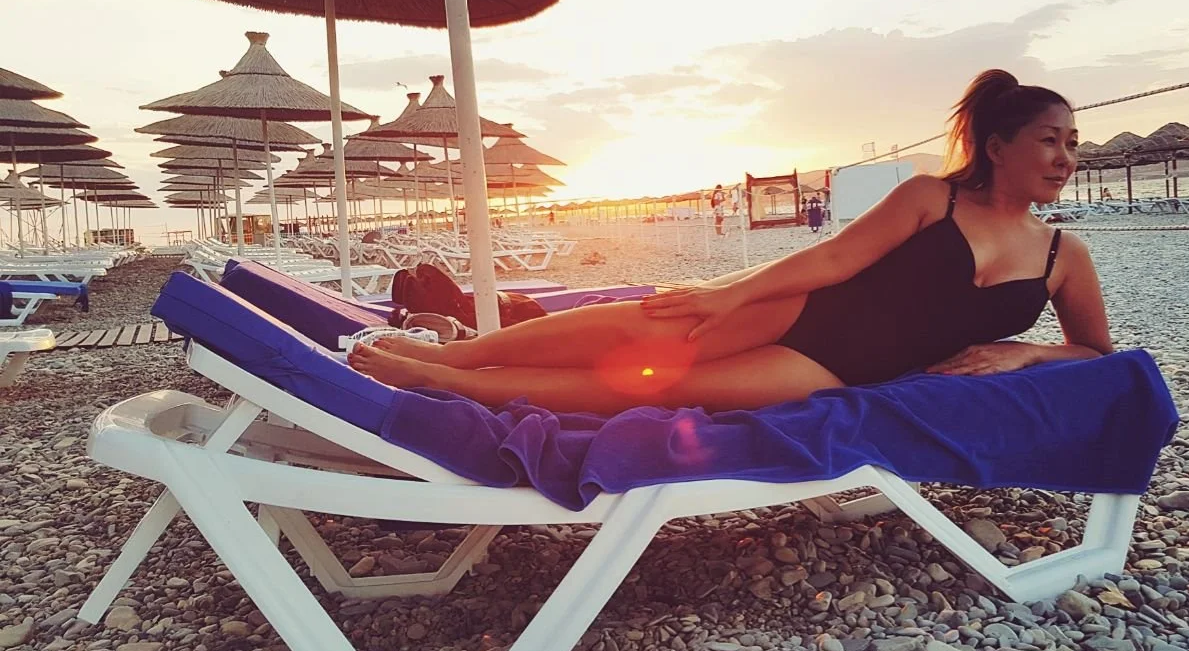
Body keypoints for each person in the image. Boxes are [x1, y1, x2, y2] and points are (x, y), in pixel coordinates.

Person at [349, 69, 1112, 415]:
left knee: (653, 388)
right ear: (1000, 145)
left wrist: (1027, 353)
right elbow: (833, 258)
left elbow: (1096, 354)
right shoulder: (930, 198)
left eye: (1073, 144)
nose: (1065, 157)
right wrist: (729, 292)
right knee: (642, 328)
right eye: (1050, 140)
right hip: (804, 311)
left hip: (840, 369)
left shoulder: (1062, 257)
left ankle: (450, 384)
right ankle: (461, 356)